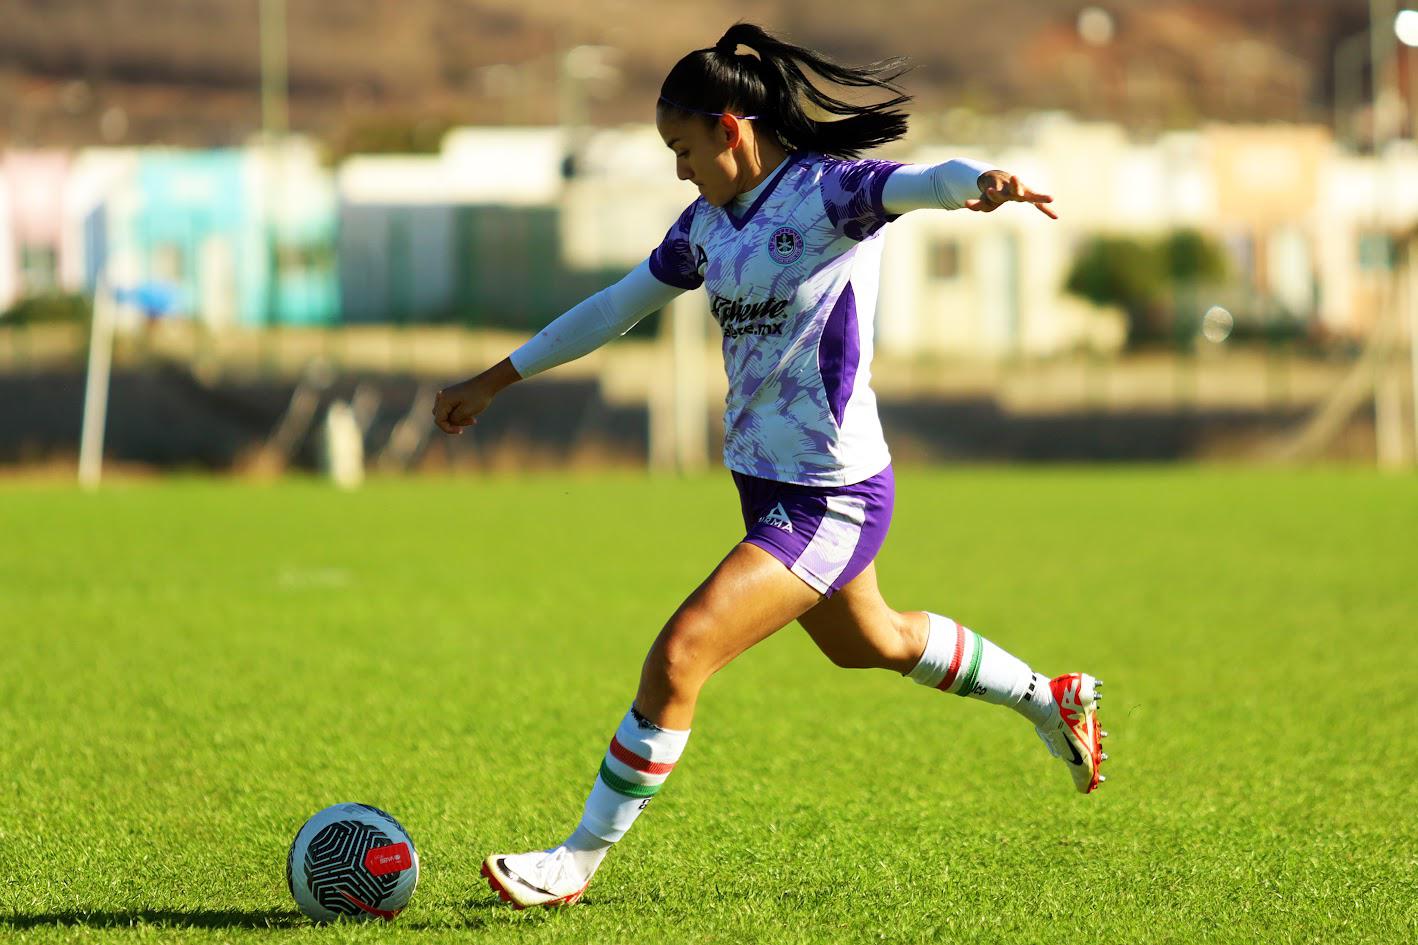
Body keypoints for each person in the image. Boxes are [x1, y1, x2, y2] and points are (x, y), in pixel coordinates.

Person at [432, 23, 1106, 910]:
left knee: (680, 656)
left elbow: (921, 182)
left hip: (832, 494)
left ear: (730, 129)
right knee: (872, 642)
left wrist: (980, 183)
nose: (680, 170)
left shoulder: (830, 193)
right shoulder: (706, 226)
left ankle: (573, 861)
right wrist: (494, 379)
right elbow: (612, 308)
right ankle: (1049, 697)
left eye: (683, 149)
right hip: (763, 485)